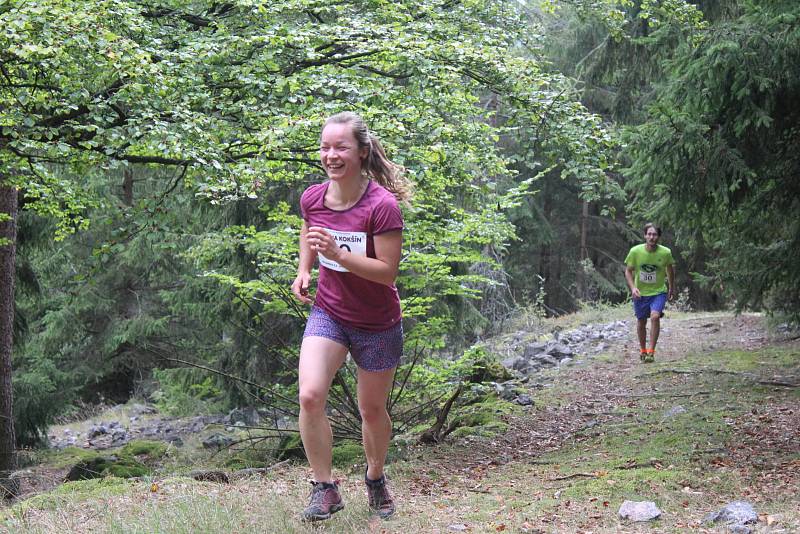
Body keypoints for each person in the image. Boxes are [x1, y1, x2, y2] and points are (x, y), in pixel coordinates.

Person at [290, 112, 412, 522]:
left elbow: (387, 273)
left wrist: (340, 255)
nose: (331, 155)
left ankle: (375, 476)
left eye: (340, 147)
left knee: (371, 411)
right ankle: (325, 488)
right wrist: (305, 269)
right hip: (330, 312)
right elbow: (310, 232)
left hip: (377, 323)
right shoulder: (313, 197)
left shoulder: (381, 206)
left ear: (362, 152)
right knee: (309, 395)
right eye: (325, 147)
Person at [624, 223, 675, 362]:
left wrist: (671, 287)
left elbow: (669, 270)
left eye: (655, 235)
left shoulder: (665, 252)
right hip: (640, 292)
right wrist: (633, 287)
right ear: (645, 235)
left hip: (658, 292)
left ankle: (651, 352)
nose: (652, 237)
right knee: (641, 321)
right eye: (649, 234)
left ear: (658, 237)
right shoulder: (635, 252)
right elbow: (628, 271)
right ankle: (643, 350)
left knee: (654, 317)